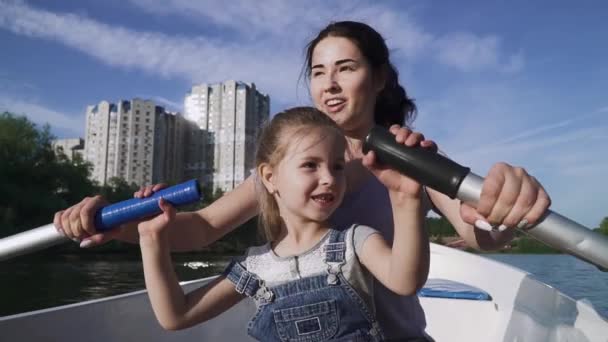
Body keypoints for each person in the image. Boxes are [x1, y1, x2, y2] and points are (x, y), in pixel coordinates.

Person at [54, 21, 551, 340]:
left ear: (379, 79)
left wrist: (502, 211)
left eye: (346, 68)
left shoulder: (410, 158)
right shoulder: (285, 169)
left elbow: (479, 232)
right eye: (318, 72)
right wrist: (126, 227)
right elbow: (203, 226)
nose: (329, 84)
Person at [139, 107, 429, 341]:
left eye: (337, 166)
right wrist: (152, 240)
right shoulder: (255, 267)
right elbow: (177, 316)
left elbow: (405, 281)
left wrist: (406, 201)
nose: (329, 177)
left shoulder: (356, 242)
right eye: (310, 165)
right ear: (269, 177)